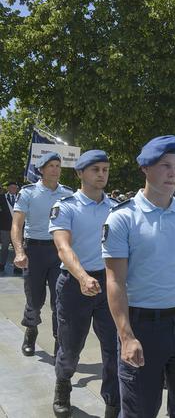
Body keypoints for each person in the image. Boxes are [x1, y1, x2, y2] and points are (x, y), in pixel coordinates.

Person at [102, 135, 175, 417]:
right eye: (165, 165)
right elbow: (115, 281)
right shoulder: (122, 218)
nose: (172, 173)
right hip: (143, 325)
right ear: (145, 168)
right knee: (140, 410)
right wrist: (126, 336)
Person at [48, 150, 120, 418]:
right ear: (79, 173)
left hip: (108, 283)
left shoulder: (115, 208)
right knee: (70, 347)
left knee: (114, 347)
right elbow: (63, 247)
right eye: (95, 169)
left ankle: (113, 402)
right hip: (73, 285)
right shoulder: (66, 206)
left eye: (105, 169)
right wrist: (82, 276)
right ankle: (63, 384)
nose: (102, 174)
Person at [12, 153, 73, 356]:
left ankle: (59, 341)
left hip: (59, 252)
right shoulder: (28, 193)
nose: (56, 169)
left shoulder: (67, 193)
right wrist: (20, 252)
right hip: (34, 252)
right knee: (35, 300)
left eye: (58, 165)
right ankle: (31, 331)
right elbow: (16, 225)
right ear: (41, 170)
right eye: (51, 166)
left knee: (61, 300)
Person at [1, 182, 19, 274]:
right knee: (4, 247)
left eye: (15, 188)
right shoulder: (2, 198)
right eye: (11, 188)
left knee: (18, 247)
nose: (13, 189)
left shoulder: (20, 198)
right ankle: (1, 265)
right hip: (5, 227)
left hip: (18, 228)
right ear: (8, 188)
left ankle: (17, 267)